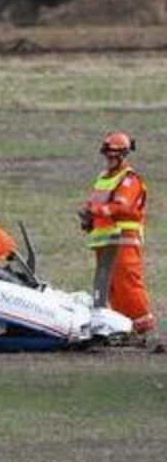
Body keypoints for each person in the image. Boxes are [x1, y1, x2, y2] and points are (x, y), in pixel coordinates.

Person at [80, 131, 156, 339]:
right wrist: (88, 219)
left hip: (124, 239)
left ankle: (143, 327)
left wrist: (95, 211)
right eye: (107, 155)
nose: (109, 159)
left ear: (123, 156)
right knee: (111, 285)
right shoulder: (102, 179)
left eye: (114, 156)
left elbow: (120, 207)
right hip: (104, 241)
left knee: (128, 282)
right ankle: (122, 326)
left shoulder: (130, 180)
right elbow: (96, 204)